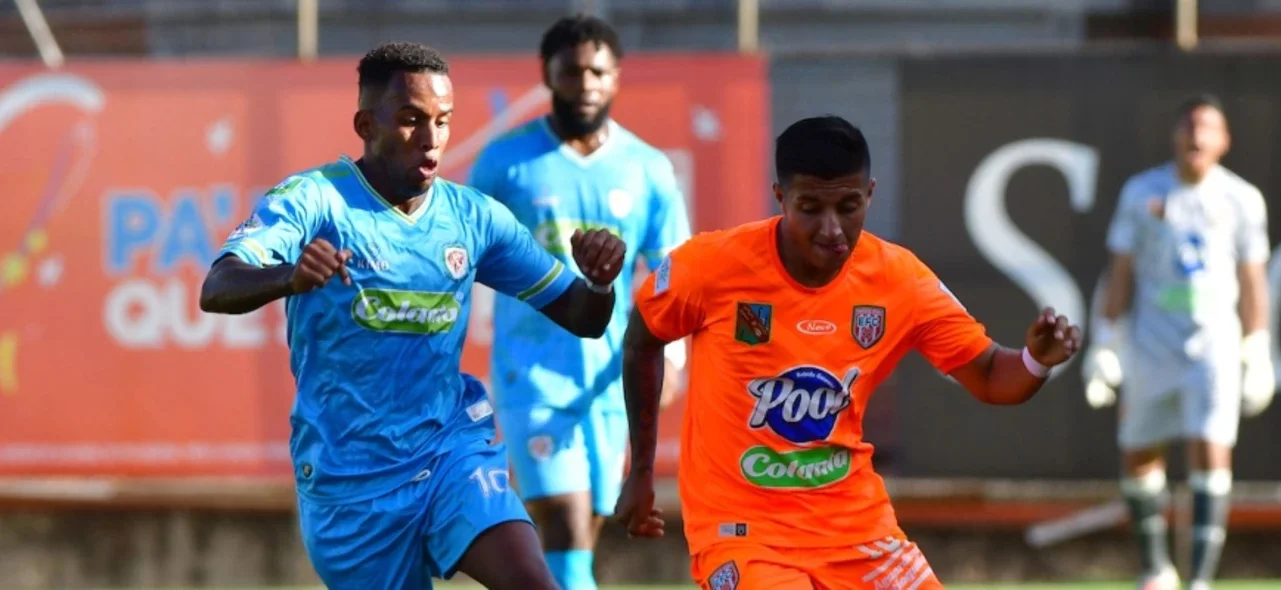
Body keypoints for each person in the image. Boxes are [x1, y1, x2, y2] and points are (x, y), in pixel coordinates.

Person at [199, 41, 628, 590]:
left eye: (443, 121)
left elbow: (584, 316)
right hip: (349, 482)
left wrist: (598, 281)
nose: (431, 140)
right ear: (364, 125)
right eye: (410, 120)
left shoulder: (473, 218)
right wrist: (288, 276)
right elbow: (218, 285)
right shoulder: (315, 201)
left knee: (532, 580)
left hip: (451, 452)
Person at [612, 114, 1083, 590]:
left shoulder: (899, 279)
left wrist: (1035, 360)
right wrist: (643, 471)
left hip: (854, 528)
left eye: (849, 206)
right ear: (781, 197)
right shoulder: (711, 266)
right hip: (742, 530)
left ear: (870, 194)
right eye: (810, 207)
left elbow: (988, 375)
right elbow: (642, 338)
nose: (832, 228)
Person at [468, 15, 691, 590]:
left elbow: (674, 275)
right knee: (564, 526)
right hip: (533, 377)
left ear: (616, 78)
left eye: (598, 71)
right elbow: (460, 256)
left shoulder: (648, 169)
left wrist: (671, 360)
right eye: (571, 71)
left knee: (580, 538)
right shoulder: (505, 163)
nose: (585, 83)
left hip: (613, 382)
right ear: (548, 75)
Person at [1082, 93, 1274, 590]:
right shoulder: (1141, 192)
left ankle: (1201, 579)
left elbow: (1252, 279)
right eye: (1189, 125)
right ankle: (1155, 569)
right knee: (1140, 451)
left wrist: (1256, 346)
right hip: (1151, 345)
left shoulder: (1243, 199)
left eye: (1208, 127)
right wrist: (1107, 341)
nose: (1197, 135)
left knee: (1212, 451)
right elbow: (1119, 273)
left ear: (1224, 141)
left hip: (1214, 348)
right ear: (1175, 135)